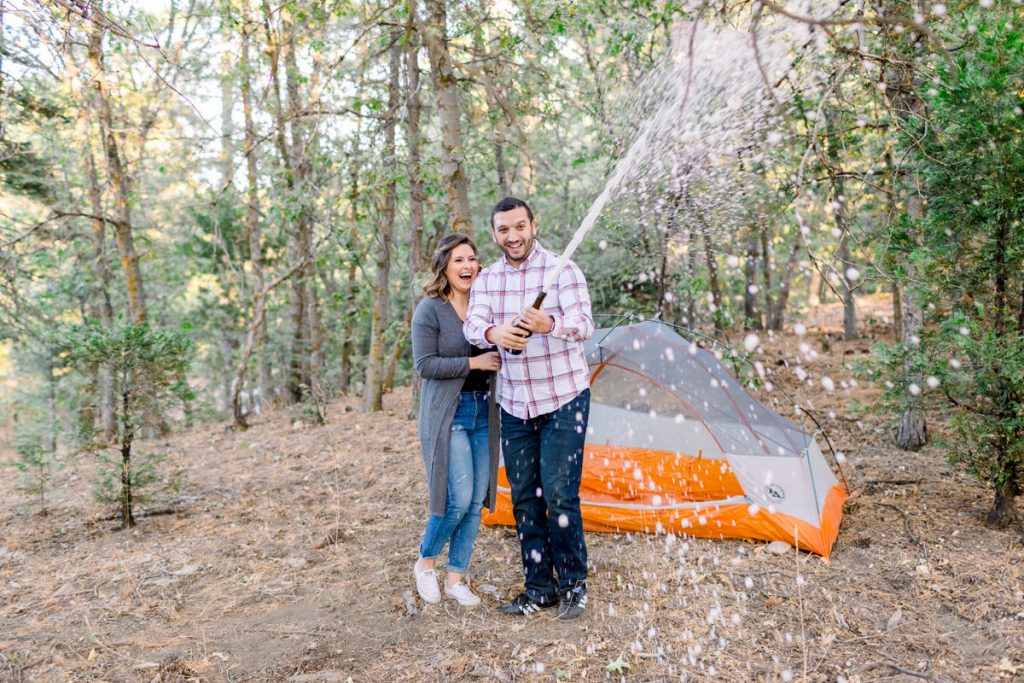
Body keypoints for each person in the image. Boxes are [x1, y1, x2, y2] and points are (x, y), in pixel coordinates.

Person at [464, 197, 594, 620]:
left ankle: (574, 584)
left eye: (519, 226)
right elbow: (473, 325)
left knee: (559, 495)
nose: (513, 236)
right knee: (523, 499)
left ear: (533, 225)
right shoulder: (488, 280)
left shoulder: (563, 270)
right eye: (504, 230)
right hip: (516, 405)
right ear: (495, 233)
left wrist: (548, 324)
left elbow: (585, 326)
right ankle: (540, 588)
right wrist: (496, 331)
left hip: (563, 400)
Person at [412, 233, 501, 607]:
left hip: (486, 411)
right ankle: (426, 562)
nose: (467, 266)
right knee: (457, 498)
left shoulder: (488, 304)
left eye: (472, 259)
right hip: (450, 413)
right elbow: (424, 365)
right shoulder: (430, 309)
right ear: (444, 268)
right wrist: (473, 363)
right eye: (458, 260)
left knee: (477, 498)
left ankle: (455, 579)